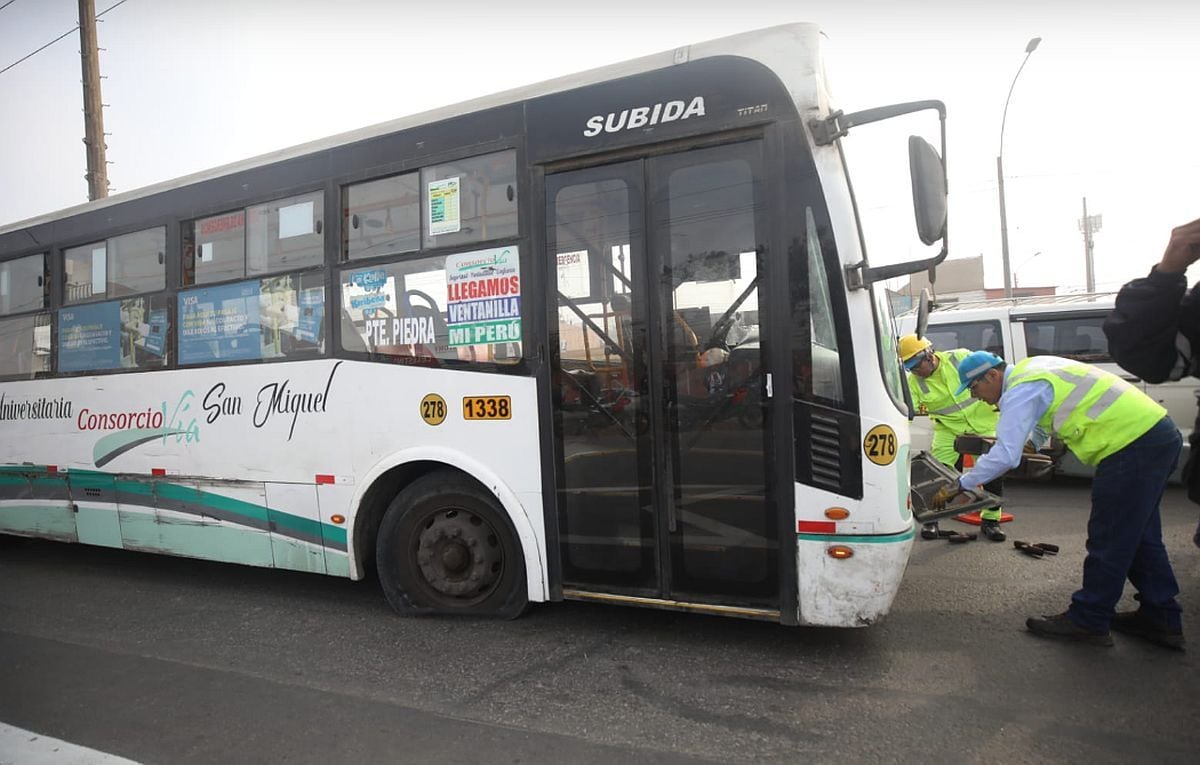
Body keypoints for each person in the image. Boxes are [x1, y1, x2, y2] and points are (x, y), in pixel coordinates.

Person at [932, 350, 1185, 650]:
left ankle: (1089, 619)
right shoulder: (1033, 370)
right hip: (1156, 434)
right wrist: (1033, 443)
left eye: (975, 388)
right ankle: (1161, 617)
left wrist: (960, 483)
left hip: (1131, 446)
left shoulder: (1021, 389)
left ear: (992, 376)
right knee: (1141, 535)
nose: (977, 397)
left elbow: (1005, 455)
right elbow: (1043, 417)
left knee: (1111, 536)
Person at [1103, 216, 1200, 550]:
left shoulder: (1027, 385)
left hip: (1139, 440)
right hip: (1147, 438)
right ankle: (1159, 603)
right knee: (1136, 528)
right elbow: (1152, 359)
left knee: (1120, 528)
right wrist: (1168, 274)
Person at [898, 335, 1007, 542]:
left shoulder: (960, 358)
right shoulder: (914, 383)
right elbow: (907, 413)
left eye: (915, 365)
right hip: (948, 428)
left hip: (984, 424)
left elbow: (995, 377)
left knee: (992, 471)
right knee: (937, 473)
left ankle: (991, 521)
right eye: (909, 367)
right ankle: (932, 520)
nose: (914, 371)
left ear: (928, 356)